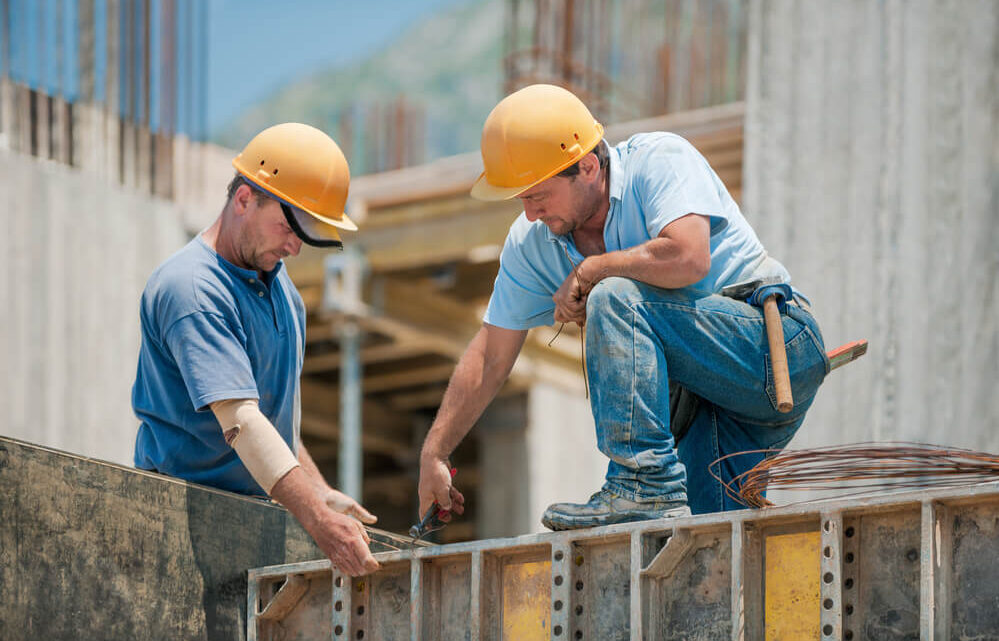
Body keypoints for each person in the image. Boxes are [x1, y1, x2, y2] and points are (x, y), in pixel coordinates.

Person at [418, 84, 829, 531]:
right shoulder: (532, 243)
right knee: (710, 548)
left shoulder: (658, 161)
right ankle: (652, 492)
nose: (531, 213)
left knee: (614, 295)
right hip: (706, 407)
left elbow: (690, 256)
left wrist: (594, 269)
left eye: (538, 195)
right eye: (522, 200)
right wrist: (434, 452)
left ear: (588, 166)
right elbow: (491, 354)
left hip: (773, 348)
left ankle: (642, 485)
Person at [132, 123, 380, 576]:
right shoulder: (193, 290)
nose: (294, 247)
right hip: (178, 527)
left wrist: (319, 492)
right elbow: (241, 421)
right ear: (244, 199)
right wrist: (318, 522)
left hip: (246, 524)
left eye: (305, 235)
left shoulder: (283, 294)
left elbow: (267, 419)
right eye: (288, 227)